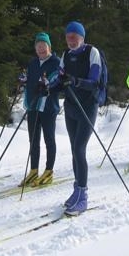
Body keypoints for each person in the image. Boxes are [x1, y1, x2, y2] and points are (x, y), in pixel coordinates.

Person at [50, 21, 102, 216]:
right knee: (74, 149)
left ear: (82, 37)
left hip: (87, 106)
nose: (71, 40)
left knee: (80, 149)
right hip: (71, 107)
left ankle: (83, 196)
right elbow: (60, 80)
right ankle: (76, 190)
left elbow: (94, 82)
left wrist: (75, 81)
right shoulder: (66, 55)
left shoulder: (92, 53)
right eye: (68, 37)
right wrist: (47, 88)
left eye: (75, 37)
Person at [17, 32, 61, 187]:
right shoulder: (33, 63)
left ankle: (49, 171)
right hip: (33, 106)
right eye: (38, 46)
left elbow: (57, 79)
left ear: (49, 47)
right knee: (33, 140)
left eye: (44, 46)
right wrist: (25, 80)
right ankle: (34, 170)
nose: (41, 49)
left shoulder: (56, 62)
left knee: (49, 139)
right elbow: (30, 78)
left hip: (48, 107)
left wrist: (48, 83)